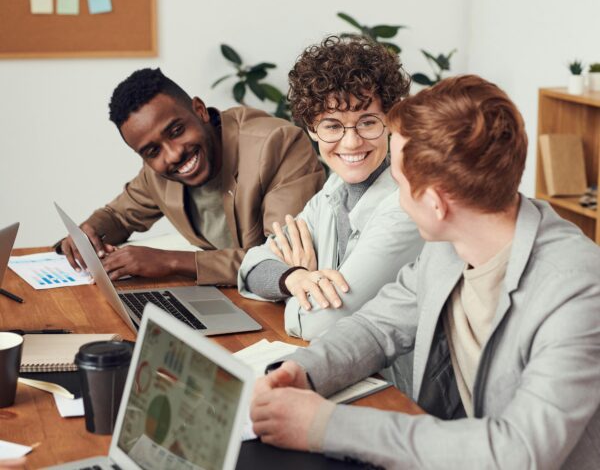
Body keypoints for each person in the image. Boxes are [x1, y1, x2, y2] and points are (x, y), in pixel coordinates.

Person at [250, 75, 600, 469]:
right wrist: (304, 372)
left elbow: (518, 451)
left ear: (435, 203)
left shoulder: (577, 289)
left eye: (399, 182)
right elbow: (376, 327)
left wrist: (325, 426)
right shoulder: (447, 248)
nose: (395, 197)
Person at [56, 68, 325, 285]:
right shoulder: (157, 174)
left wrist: (171, 262)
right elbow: (118, 216)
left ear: (199, 110)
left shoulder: (277, 144)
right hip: (231, 299)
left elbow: (282, 260)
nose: (172, 155)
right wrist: (89, 233)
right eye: (152, 151)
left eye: (175, 131)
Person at [238, 36, 423, 342]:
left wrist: (290, 285)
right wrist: (295, 277)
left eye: (367, 123)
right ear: (312, 129)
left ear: (390, 121)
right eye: (333, 126)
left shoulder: (404, 209)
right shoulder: (332, 192)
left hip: (392, 385)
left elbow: (318, 325)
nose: (351, 142)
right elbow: (251, 265)